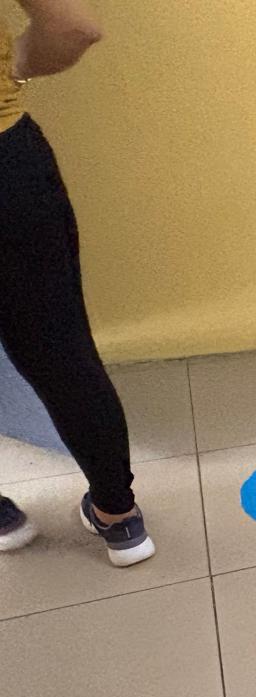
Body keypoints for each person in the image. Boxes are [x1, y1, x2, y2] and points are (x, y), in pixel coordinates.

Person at [0, 0, 154, 565]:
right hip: (6, 166)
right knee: (61, 352)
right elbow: (75, 27)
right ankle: (119, 517)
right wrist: (11, 63)